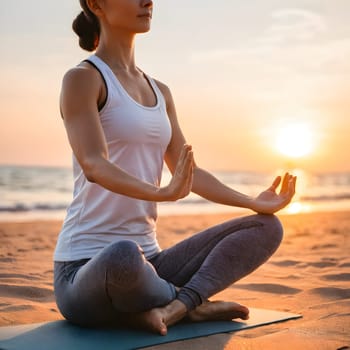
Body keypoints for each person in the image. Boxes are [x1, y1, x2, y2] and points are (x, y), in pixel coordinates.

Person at [53, 0, 297, 336]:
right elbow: (94, 164)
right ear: (96, 4)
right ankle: (190, 304)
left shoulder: (160, 92)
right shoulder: (83, 78)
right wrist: (161, 192)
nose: (148, 1)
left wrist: (252, 202)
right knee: (122, 256)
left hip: (151, 267)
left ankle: (176, 306)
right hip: (84, 271)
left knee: (268, 228)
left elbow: (188, 172)